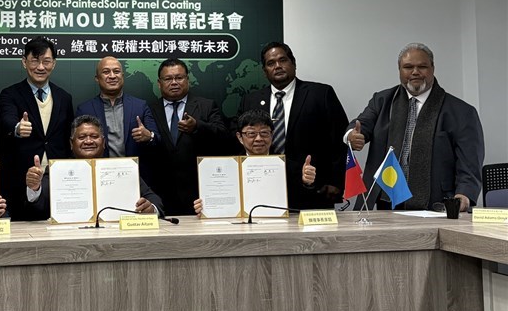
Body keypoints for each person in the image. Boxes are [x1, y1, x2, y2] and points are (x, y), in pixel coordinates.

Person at [347, 43, 484, 212]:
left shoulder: (462, 112)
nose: (415, 72)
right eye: (408, 67)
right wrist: (351, 135)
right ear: (399, 70)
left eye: (422, 66)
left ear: (432, 68)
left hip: (437, 204)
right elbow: (361, 124)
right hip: (386, 202)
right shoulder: (382, 100)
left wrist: (464, 194)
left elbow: (470, 162)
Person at [239, 42, 348, 210]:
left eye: (283, 60)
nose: (277, 66)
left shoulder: (320, 94)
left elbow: (339, 139)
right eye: (271, 63)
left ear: (293, 63)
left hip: (314, 189)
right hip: (264, 189)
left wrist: (336, 182)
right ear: (264, 71)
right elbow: (242, 141)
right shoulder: (251, 100)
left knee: (315, 238)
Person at [25, 115, 164, 220]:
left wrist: (151, 209)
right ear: (71, 143)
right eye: (82, 137)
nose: (89, 141)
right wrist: (34, 188)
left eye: (94, 136)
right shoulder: (57, 169)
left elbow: (155, 200)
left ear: (103, 142)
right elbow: (39, 207)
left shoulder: (123, 168)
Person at [0, 37, 74, 220]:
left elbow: (68, 136)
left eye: (46, 61)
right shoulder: (10, 94)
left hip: (59, 179)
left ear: (54, 64)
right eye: (35, 61)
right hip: (22, 180)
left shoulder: (64, 97)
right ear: (24, 62)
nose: (41, 67)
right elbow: (7, 120)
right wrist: (17, 128)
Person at [147, 58, 229, 216]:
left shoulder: (206, 105)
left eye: (179, 77)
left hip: (199, 194)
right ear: (159, 83)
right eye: (168, 79)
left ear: (187, 80)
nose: (174, 82)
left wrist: (197, 126)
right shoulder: (149, 109)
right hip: (161, 193)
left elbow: (224, 136)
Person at [194, 110, 316, 214]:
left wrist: (306, 183)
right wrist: (205, 209)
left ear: (272, 135)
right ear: (240, 137)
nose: (258, 139)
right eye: (251, 133)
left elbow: (303, 206)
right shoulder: (228, 168)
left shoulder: (289, 167)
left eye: (264, 133)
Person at [75, 56, 158, 182]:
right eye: (106, 72)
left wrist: (149, 136)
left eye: (116, 71)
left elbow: (157, 138)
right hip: (99, 177)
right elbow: (76, 146)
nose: (112, 76)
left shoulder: (140, 106)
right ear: (97, 78)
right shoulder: (85, 109)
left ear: (122, 76)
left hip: (136, 177)